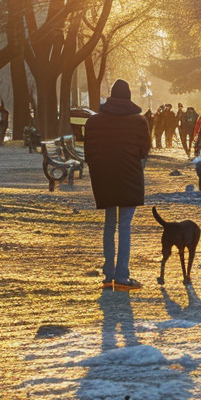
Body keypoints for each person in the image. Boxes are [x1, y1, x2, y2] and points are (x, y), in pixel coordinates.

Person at [85, 79, 151, 291]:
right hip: (129, 178)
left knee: (109, 224)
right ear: (129, 97)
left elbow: (88, 154)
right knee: (124, 225)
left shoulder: (93, 122)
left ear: (111, 97)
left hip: (104, 179)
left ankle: (108, 275)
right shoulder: (139, 122)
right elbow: (143, 152)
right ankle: (122, 276)